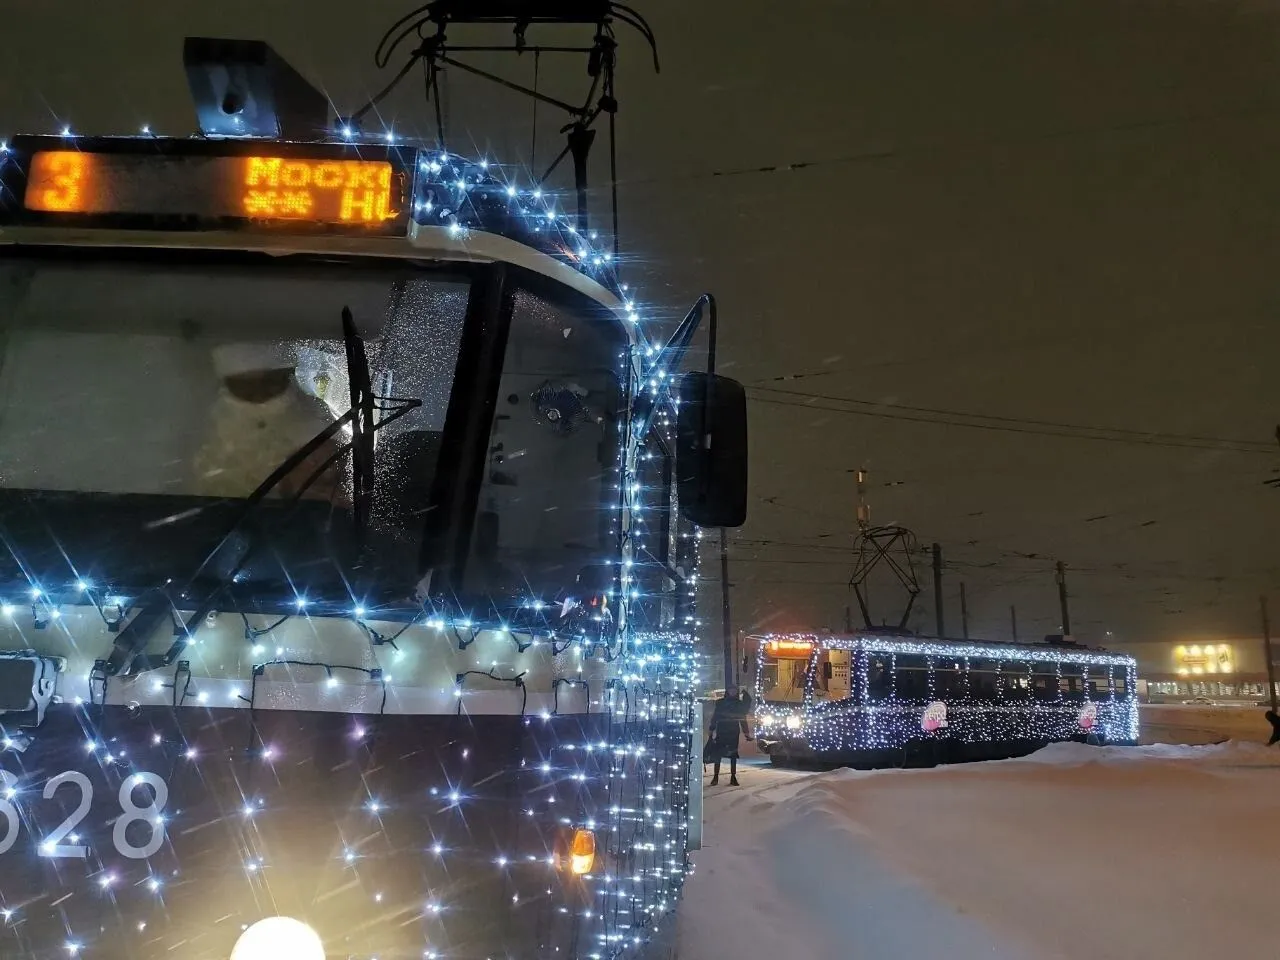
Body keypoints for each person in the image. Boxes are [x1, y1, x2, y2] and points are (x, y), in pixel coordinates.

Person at [192, 342, 347, 503]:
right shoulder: (205, 419)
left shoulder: (313, 414)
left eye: (270, 381)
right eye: (245, 385)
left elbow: (332, 476)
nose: (259, 393)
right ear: (228, 382)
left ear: (287, 374)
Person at [707, 690, 752, 787]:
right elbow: (716, 717)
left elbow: (742, 720)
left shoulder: (725, 704)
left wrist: (746, 733)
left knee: (729, 755)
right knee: (722, 755)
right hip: (727, 732)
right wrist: (711, 728)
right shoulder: (732, 704)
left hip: (729, 732)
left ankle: (729, 777)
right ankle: (719, 777)